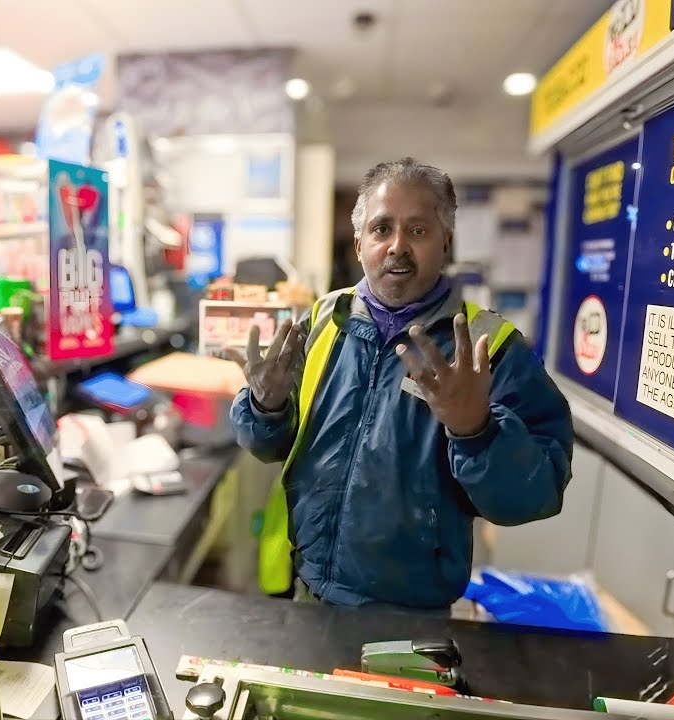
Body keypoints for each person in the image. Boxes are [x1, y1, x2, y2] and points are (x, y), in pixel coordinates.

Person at [229, 158, 574, 610]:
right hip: (308, 595)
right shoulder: (321, 323)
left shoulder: (488, 348)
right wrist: (265, 407)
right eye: (381, 229)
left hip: (413, 619)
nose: (397, 246)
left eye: (418, 230)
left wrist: (478, 433)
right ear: (358, 244)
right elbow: (265, 444)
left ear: (445, 240)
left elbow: (535, 494)